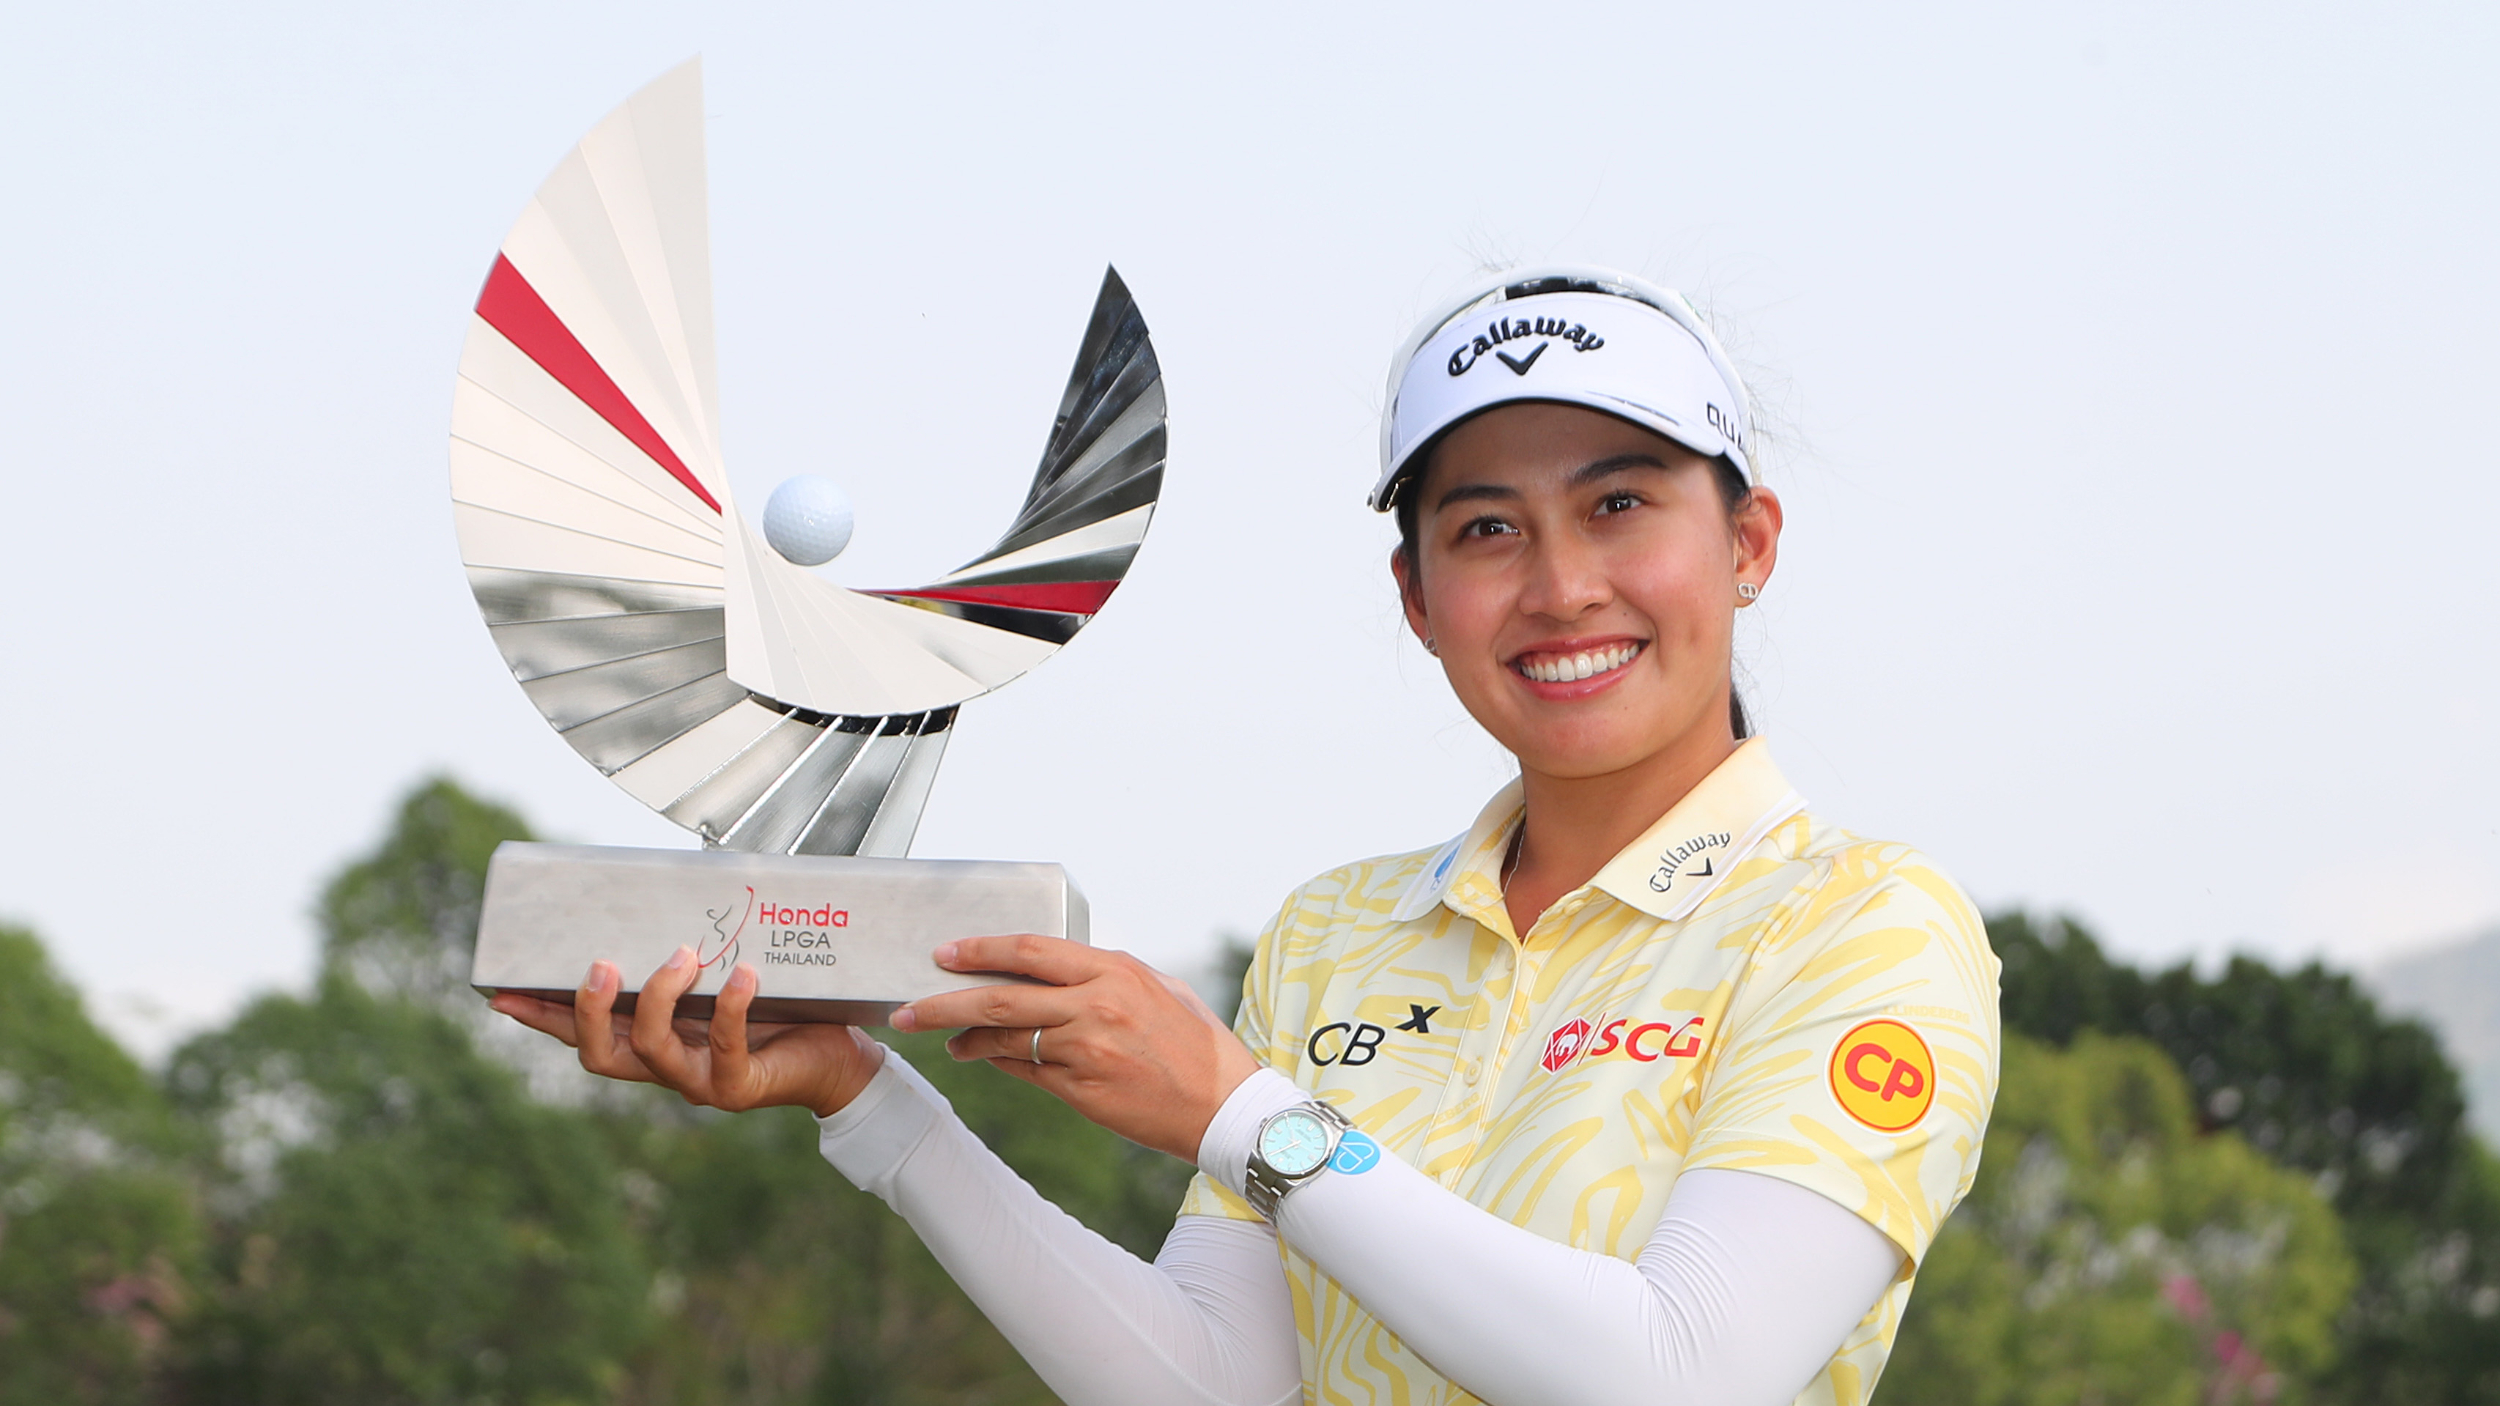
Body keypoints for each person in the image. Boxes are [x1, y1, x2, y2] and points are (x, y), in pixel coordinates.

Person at [492, 264, 2002, 1406]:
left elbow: (1678, 1373)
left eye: (1621, 504)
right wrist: (869, 1102)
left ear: (1747, 547)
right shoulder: (1339, 933)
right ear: (1418, 599)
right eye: (1485, 527)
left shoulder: (1865, 923)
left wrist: (1239, 1111)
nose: (1559, 585)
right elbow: (1215, 1386)